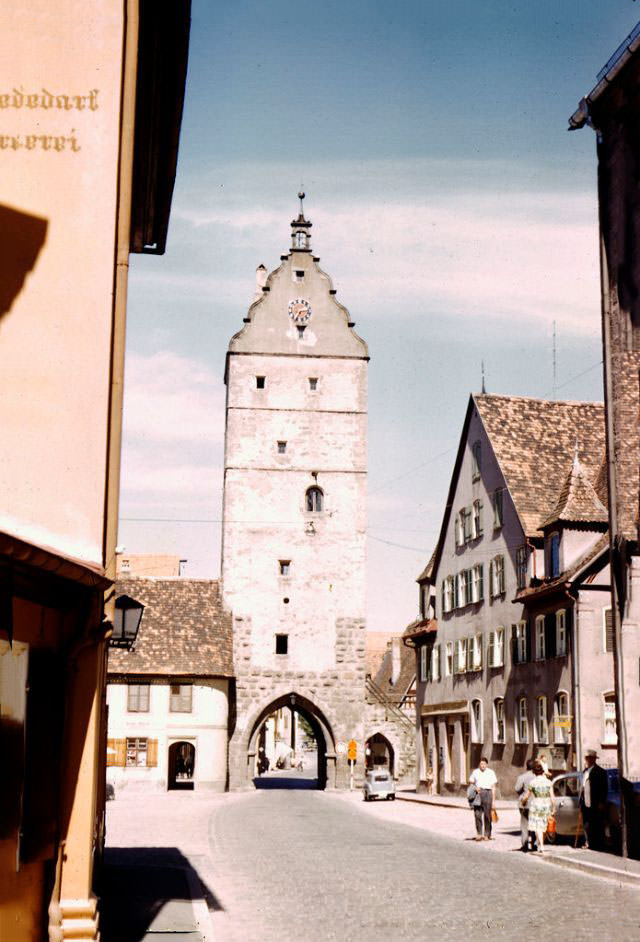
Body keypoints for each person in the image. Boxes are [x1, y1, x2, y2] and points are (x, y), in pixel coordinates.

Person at [522, 760, 555, 856]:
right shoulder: (548, 782)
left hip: (536, 805)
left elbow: (527, 796)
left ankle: (541, 845)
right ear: (542, 772)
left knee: (538, 826)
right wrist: (554, 808)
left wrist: (523, 802)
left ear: (534, 772)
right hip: (546, 805)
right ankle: (540, 844)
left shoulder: (533, 782)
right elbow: (552, 797)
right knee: (543, 826)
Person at [579, 749, 608, 850]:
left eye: (590, 758)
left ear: (594, 759)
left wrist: (602, 802)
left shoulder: (601, 772)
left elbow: (604, 789)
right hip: (585, 802)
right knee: (586, 824)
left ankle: (598, 844)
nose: (588, 760)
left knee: (597, 824)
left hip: (596, 802)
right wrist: (580, 801)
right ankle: (588, 842)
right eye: (587, 758)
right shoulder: (585, 772)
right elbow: (582, 787)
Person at [469, 757, 497, 841]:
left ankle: (487, 834)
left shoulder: (491, 772)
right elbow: (470, 781)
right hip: (478, 794)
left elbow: (493, 787)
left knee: (487, 815)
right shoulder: (475, 772)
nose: (483, 765)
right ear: (479, 764)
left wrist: (493, 801)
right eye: (481, 764)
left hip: (488, 793)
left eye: (484, 764)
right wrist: (475, 787)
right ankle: (479, 834)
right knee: (477, 814)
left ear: (487, 764)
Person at [515, 759, 536, 852]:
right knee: (534, 824)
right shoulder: (537, 777)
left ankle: (525, 844)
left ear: (526, 767)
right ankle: (534, 844)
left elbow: (517, 788)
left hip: (525, 803)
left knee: (524, 825)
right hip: (535, 803)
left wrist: (522, 793)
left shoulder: (522, 777)